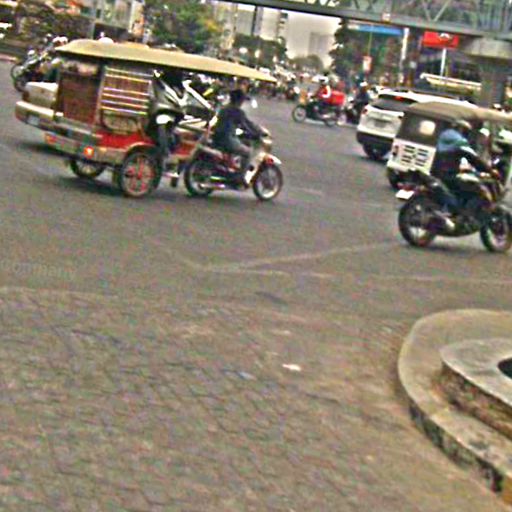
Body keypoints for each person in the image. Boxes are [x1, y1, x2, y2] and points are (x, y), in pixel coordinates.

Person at [432, 119, 496, 229]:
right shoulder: (458, 140)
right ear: (462, 129)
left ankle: (453, 212)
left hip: (436, 172)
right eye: (466, 131)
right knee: (476, 191)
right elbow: (473, 158)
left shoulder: (442, 136)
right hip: (447, 175)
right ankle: (464, 215)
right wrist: (490, 171)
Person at [211, 88, 267, 185]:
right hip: (227, 139)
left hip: (217, 137)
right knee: (248, 153)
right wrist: (259, 132)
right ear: (238, 100)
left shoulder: (224, 109)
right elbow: (247, 125)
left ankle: (230, 167)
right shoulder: (237, 112)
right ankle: (240, 177)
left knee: (243, 142)